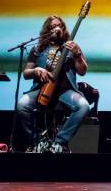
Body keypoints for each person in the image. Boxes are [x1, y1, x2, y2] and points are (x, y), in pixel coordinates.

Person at [16, 15, 90, 153]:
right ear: (47, 30)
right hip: (41, 90)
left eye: (59, 26)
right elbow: (26, 73)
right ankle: (38, 142)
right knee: (22, 105)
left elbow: (82, 71)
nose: (57, 29)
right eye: (52, 27)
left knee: (84, 106)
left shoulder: (71, 47)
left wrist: (78, 55)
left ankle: (60, 142)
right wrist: (36, 70)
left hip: (65, 92)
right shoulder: (37, 49)